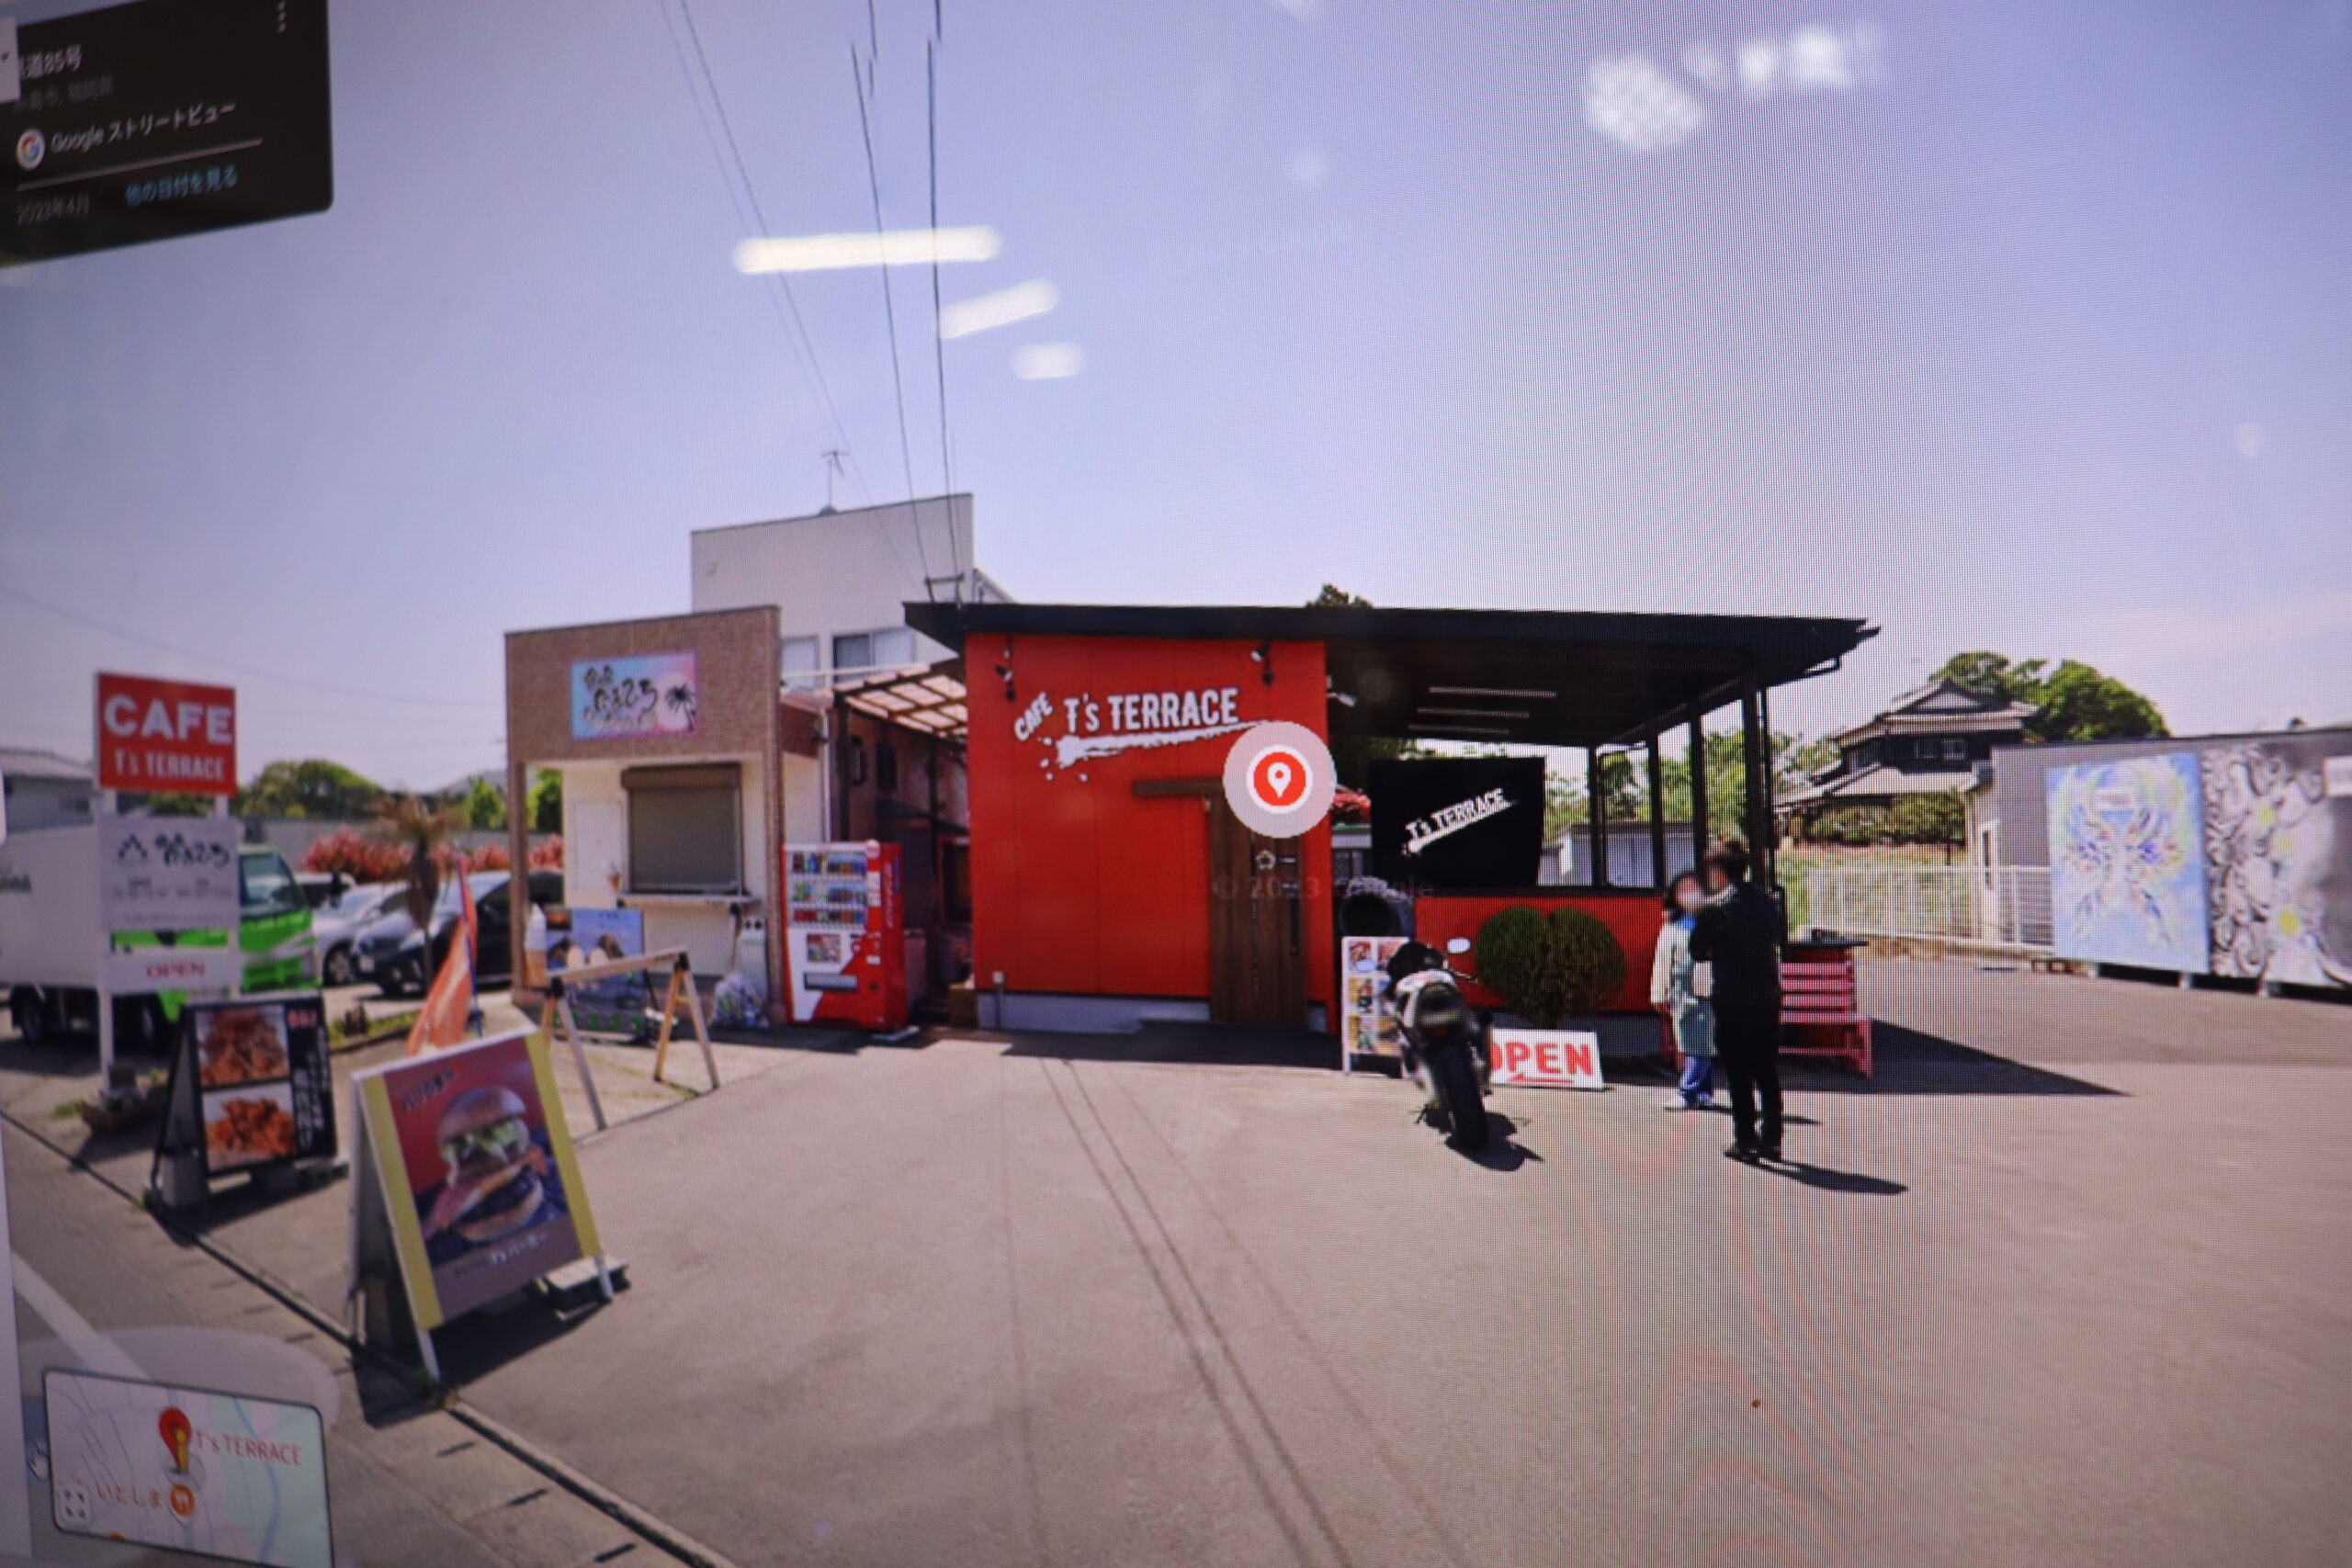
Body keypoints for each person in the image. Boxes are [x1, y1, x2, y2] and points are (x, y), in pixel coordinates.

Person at [1689, 839, 1786, 1163]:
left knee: (1738, 1071)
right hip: (1766, 995)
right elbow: (1779, 937)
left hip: (1731, 998)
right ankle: (1772, 1137)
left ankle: (1745, 1139)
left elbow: (1697, 951)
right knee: (1766, 1068)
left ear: (1719, 871)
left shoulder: (1715, 908)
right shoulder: (1768, 903)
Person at [1649, 871, 1715, 1109]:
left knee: (1700, 1040)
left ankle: (1687, 1092)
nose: (1688, 895)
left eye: (1693, 889)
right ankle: (1704, 1092)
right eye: (1682, 891)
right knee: (1690, 1041)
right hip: (1680, 991)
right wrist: (1659, 992)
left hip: (1707, 990)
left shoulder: (1714, 920)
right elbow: (1662, 960)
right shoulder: (1673, 925)